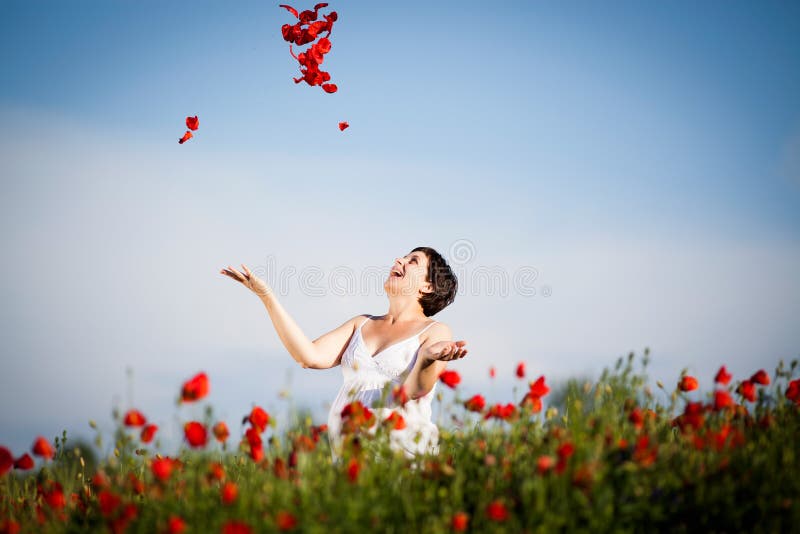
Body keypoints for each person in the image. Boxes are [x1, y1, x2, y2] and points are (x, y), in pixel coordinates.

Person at [220, 246, 467, 460]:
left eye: (412, 261)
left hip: (403, 460)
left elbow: (415, 390)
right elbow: (308, 356)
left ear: (427, 286)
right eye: (402, 257)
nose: (399, 261)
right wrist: (267, 297)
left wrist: (426, 359)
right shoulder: (361, 323)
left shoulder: (435, 331)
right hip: (350, 459)